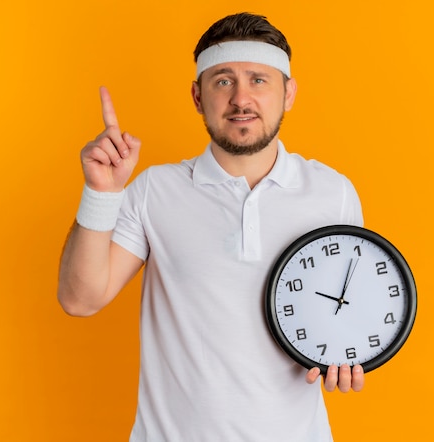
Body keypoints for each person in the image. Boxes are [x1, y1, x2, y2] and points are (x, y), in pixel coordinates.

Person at [58, 12, 365, 442]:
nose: (242, 98)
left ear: (289, 93)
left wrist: (350, 354)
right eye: (223, 81)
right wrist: (100, 193)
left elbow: (348, 311)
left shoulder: (333, 193)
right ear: (198, 96)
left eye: (259, 80)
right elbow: (80, 299)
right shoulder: (154, 191)